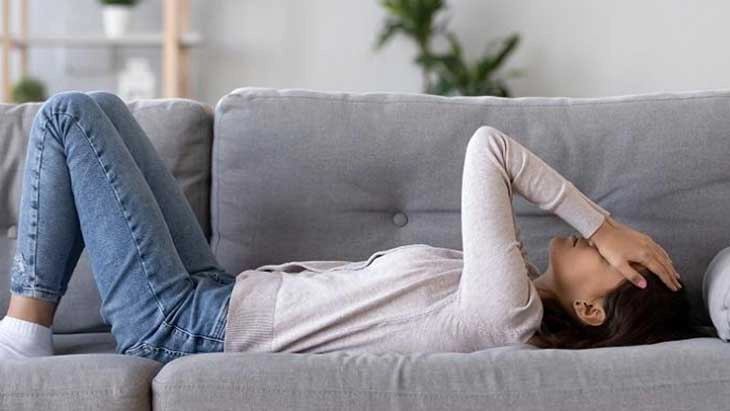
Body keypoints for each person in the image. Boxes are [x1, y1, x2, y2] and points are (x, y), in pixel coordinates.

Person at [0, 91, 695, 364]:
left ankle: (23, 337)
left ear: (591, 306)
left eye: (614, 257)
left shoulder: (506, 313)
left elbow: (490, 147)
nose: (606, 243)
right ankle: (26, 334)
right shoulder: (501, 283)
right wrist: (605, 236)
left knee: (68, 117)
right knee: (104, 108)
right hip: (215, 293)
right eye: (615, 242)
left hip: (183, 324)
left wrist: (602, 223)